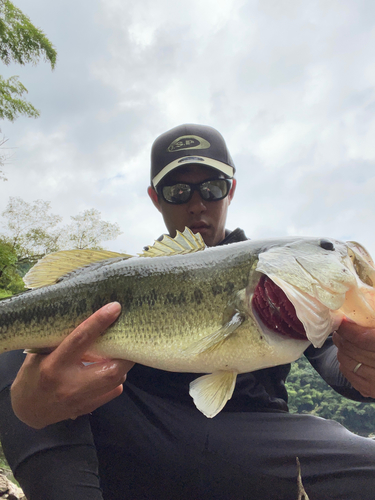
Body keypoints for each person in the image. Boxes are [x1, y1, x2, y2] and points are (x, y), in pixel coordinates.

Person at [1, 123, 375, 500]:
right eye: (178, 191)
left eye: (211, 188)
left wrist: (365, 363)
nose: (197, 204)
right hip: (137, 437)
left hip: (257, 446)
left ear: (231, 190)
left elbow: (339, 365)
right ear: (155, 197)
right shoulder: (129, 277)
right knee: (28, 344)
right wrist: (26, 410)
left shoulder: (282, 283)